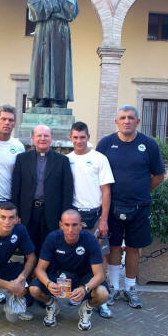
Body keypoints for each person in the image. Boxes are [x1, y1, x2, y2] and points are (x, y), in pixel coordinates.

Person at [96, 105, 165, 308]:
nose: (127, 121)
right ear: (116, 122)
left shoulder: (149, 145)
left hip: (139, 207)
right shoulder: (106, 144)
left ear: (137, 121)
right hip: (113, 206)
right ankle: (114, 288)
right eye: (123, 118)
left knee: (134, 248)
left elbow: (159, 175)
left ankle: (131, 288)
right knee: (114, 247)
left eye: (130, 118)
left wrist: (142, 191)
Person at [29, 210, 109, 331]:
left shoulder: (90, 240)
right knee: (34, 289)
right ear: (61, 225)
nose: (71, 229)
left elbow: (100, 275)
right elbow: (39, 269)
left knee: (103, 294)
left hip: (83, 278)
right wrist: (48, 283)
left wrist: (85, 288)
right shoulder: (52, 238)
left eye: (74, 225)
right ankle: (51, 305)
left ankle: (87, 308)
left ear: (81, 225)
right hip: (58, 276)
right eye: (67, 225)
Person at [68, 121, 115, 318]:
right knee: (76, 255)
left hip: (96, 215)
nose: (79, 141)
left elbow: (106, 191)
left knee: (101, 256)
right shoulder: (66, 160)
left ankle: (101, 300)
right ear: (71, 138)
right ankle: (77, 293)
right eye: (75, 137)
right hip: (75, 216)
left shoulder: (99, 158)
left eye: (82, 137)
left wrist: (104, 219)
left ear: (88, 137)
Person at [11, 124, 73, 256]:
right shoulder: (22, 159)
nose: (42, 138)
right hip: (29, 212)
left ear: (51, 138)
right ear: (33, 138)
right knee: (28, 248)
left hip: (52, 213)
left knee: (50, 248)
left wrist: (64, 217)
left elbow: (67, 191)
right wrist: (16, 214)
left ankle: (46, 275)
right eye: (39, 135)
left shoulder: (62, 161)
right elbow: (15, 188)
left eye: (46, 135)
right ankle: (29, 275)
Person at [27, 0, 79, 108]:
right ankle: (41, 98)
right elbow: (34, 8)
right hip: (42, 30)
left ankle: (58, 99)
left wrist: (47, 5)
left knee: (59, 62)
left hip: (60, 30)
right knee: (41, 63)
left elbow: (71, 9)